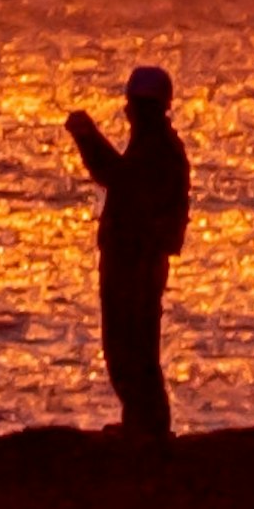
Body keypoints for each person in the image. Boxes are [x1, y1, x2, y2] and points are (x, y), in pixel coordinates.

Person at [64, 64, 189, 440]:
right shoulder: (155, 145)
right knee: (130, 343)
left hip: (136, 260)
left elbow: (120, 180)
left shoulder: (157, 149)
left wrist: (88, 138)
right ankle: (143, 421)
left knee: (130, 344)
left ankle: (148, 426)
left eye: (133, 104)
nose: (128, 111)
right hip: (134, 258)